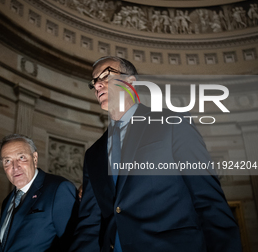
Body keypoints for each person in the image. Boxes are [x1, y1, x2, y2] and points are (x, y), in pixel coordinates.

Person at [69, 56, 242, 252]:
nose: (98, 84)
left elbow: (209, 201)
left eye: (106, 76)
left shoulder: (172, 123)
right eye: (94, 81)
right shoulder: (93, 153)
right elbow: (89, 224)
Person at [0, 134, 77, 252]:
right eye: (7, 161)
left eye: (21, 157)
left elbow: (74, 244)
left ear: (35, 158)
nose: (15, 166)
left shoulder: (59, 189)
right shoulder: (7, 201)